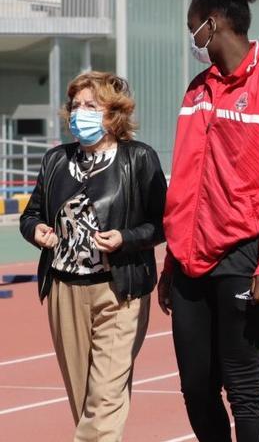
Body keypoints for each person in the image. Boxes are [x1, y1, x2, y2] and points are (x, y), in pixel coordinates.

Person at [157, 0, 259, 442]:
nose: (192, 37)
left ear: (214, 22)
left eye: (193, 28)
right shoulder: (196, 90)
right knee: (196, 389)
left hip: (246, 256)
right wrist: (170, 261)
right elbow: (183, 181)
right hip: (188, 260)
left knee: (243, 388)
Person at [20, 71, 166, 441]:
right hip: (64, 290)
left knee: (104, 400)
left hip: (118, 291)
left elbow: (161, 224)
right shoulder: (56, 160)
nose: (79, 113)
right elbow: (32, 213)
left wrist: (126, 238)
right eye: (75, 106)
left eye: (90, 106)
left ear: (113, 113)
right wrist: (35, 230)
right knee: (84, 400)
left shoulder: (139, 159)